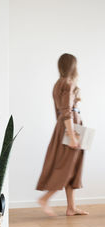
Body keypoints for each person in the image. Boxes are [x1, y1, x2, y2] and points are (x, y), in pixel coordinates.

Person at [35, 53, 89, 217]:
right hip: (70, 128)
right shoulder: (68, 83)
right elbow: (66, 112)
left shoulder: (59, 83)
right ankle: (45, 198)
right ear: (73, 66)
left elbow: (61, 111)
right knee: (67, 168)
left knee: (72, 167)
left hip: (66, 127)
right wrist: (72, 136)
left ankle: (71, 207)